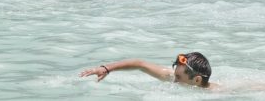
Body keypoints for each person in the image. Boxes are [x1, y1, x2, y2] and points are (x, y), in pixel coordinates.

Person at [80, 52, 217, 89]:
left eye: (179, 78)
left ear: (197, 80)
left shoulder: (217, 93)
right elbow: (140, 64)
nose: (173, 81)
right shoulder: (171, 76)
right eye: (175, 75)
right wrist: (106, 68)